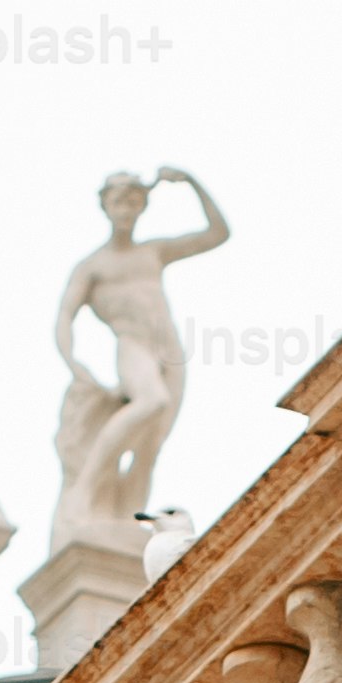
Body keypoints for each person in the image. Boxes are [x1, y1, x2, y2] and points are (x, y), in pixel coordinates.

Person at [45, 168, 231, 550]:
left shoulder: (153, 252)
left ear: (142, 206)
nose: (125, 209)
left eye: (133, 202)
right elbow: (65, 314)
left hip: (171, 349)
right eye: (118, 202)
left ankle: (129, 516)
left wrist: (193, 181)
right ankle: (84, 491)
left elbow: (217, 234)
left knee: (152, 442)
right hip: (133, 345)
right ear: (105, 206)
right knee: (152, 401)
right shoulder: (93, 265)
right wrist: (73, 363)